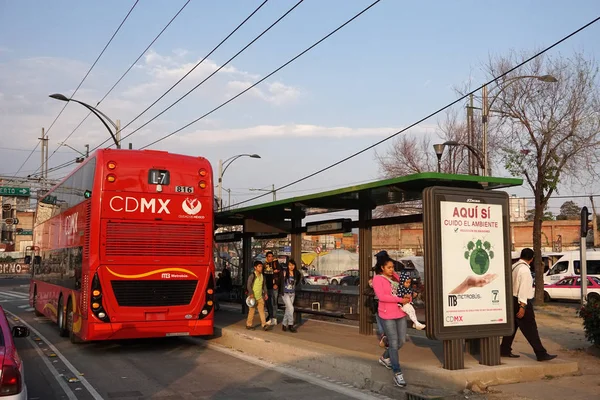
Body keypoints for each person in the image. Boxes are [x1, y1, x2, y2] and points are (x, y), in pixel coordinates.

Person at [500, 248, 557, 361]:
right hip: (521, 300)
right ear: (531, 259)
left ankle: (504, 350)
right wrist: (522, 306)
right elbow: (523, 289)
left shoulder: (514, 267)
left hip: (511, 299)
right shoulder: (525, 270)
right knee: (530, 328)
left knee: (513, 326)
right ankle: (541, 353)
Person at [373, 258, 411, 388]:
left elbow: (405, 288)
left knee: (402, 341)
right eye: (389, 267)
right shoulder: (377, 279)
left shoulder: (395, 277)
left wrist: (407, 297)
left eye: (393, 267)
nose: (392, 269)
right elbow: (382, 297)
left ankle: (384, 357)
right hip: (386, 314)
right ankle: (397, 373)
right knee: (393, 343)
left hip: (400, 313)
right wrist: (400, 299)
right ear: (382, 267)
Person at [246, 261, 272, 331]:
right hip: (253, 297)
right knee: (251, 312)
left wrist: (265, 293)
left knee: (262, 311)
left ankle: (264, 325)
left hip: (260, 297)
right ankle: (248, 325)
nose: (261, 268)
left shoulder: (262, 276)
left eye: (261, 266)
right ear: (255, 267)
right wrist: (251, 293)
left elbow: (264, 286)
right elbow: (248, 285)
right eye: (259, 266)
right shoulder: (252, 275)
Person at [279, 258, 302, 332]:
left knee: (288, 309)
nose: (291, 267)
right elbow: (280, 280)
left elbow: (298, 281)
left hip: (292, 293)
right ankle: (290, 325)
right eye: (289, 265)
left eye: (292, 265)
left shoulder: (297, 273)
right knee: (291, 308)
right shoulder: (285, 272)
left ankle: (284, 324)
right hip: (285, 293)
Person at [263, 251, 281, 325]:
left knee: (274, 302)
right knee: (267, 302)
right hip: (266, 287)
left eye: (271, 256)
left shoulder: (276, 264)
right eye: (269, 256)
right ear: (266, 257)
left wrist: (276, 283)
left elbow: (280, 275)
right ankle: (270, 316)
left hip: (274, 287)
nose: (270, 258)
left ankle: (274, 318)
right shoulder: (264, 265)